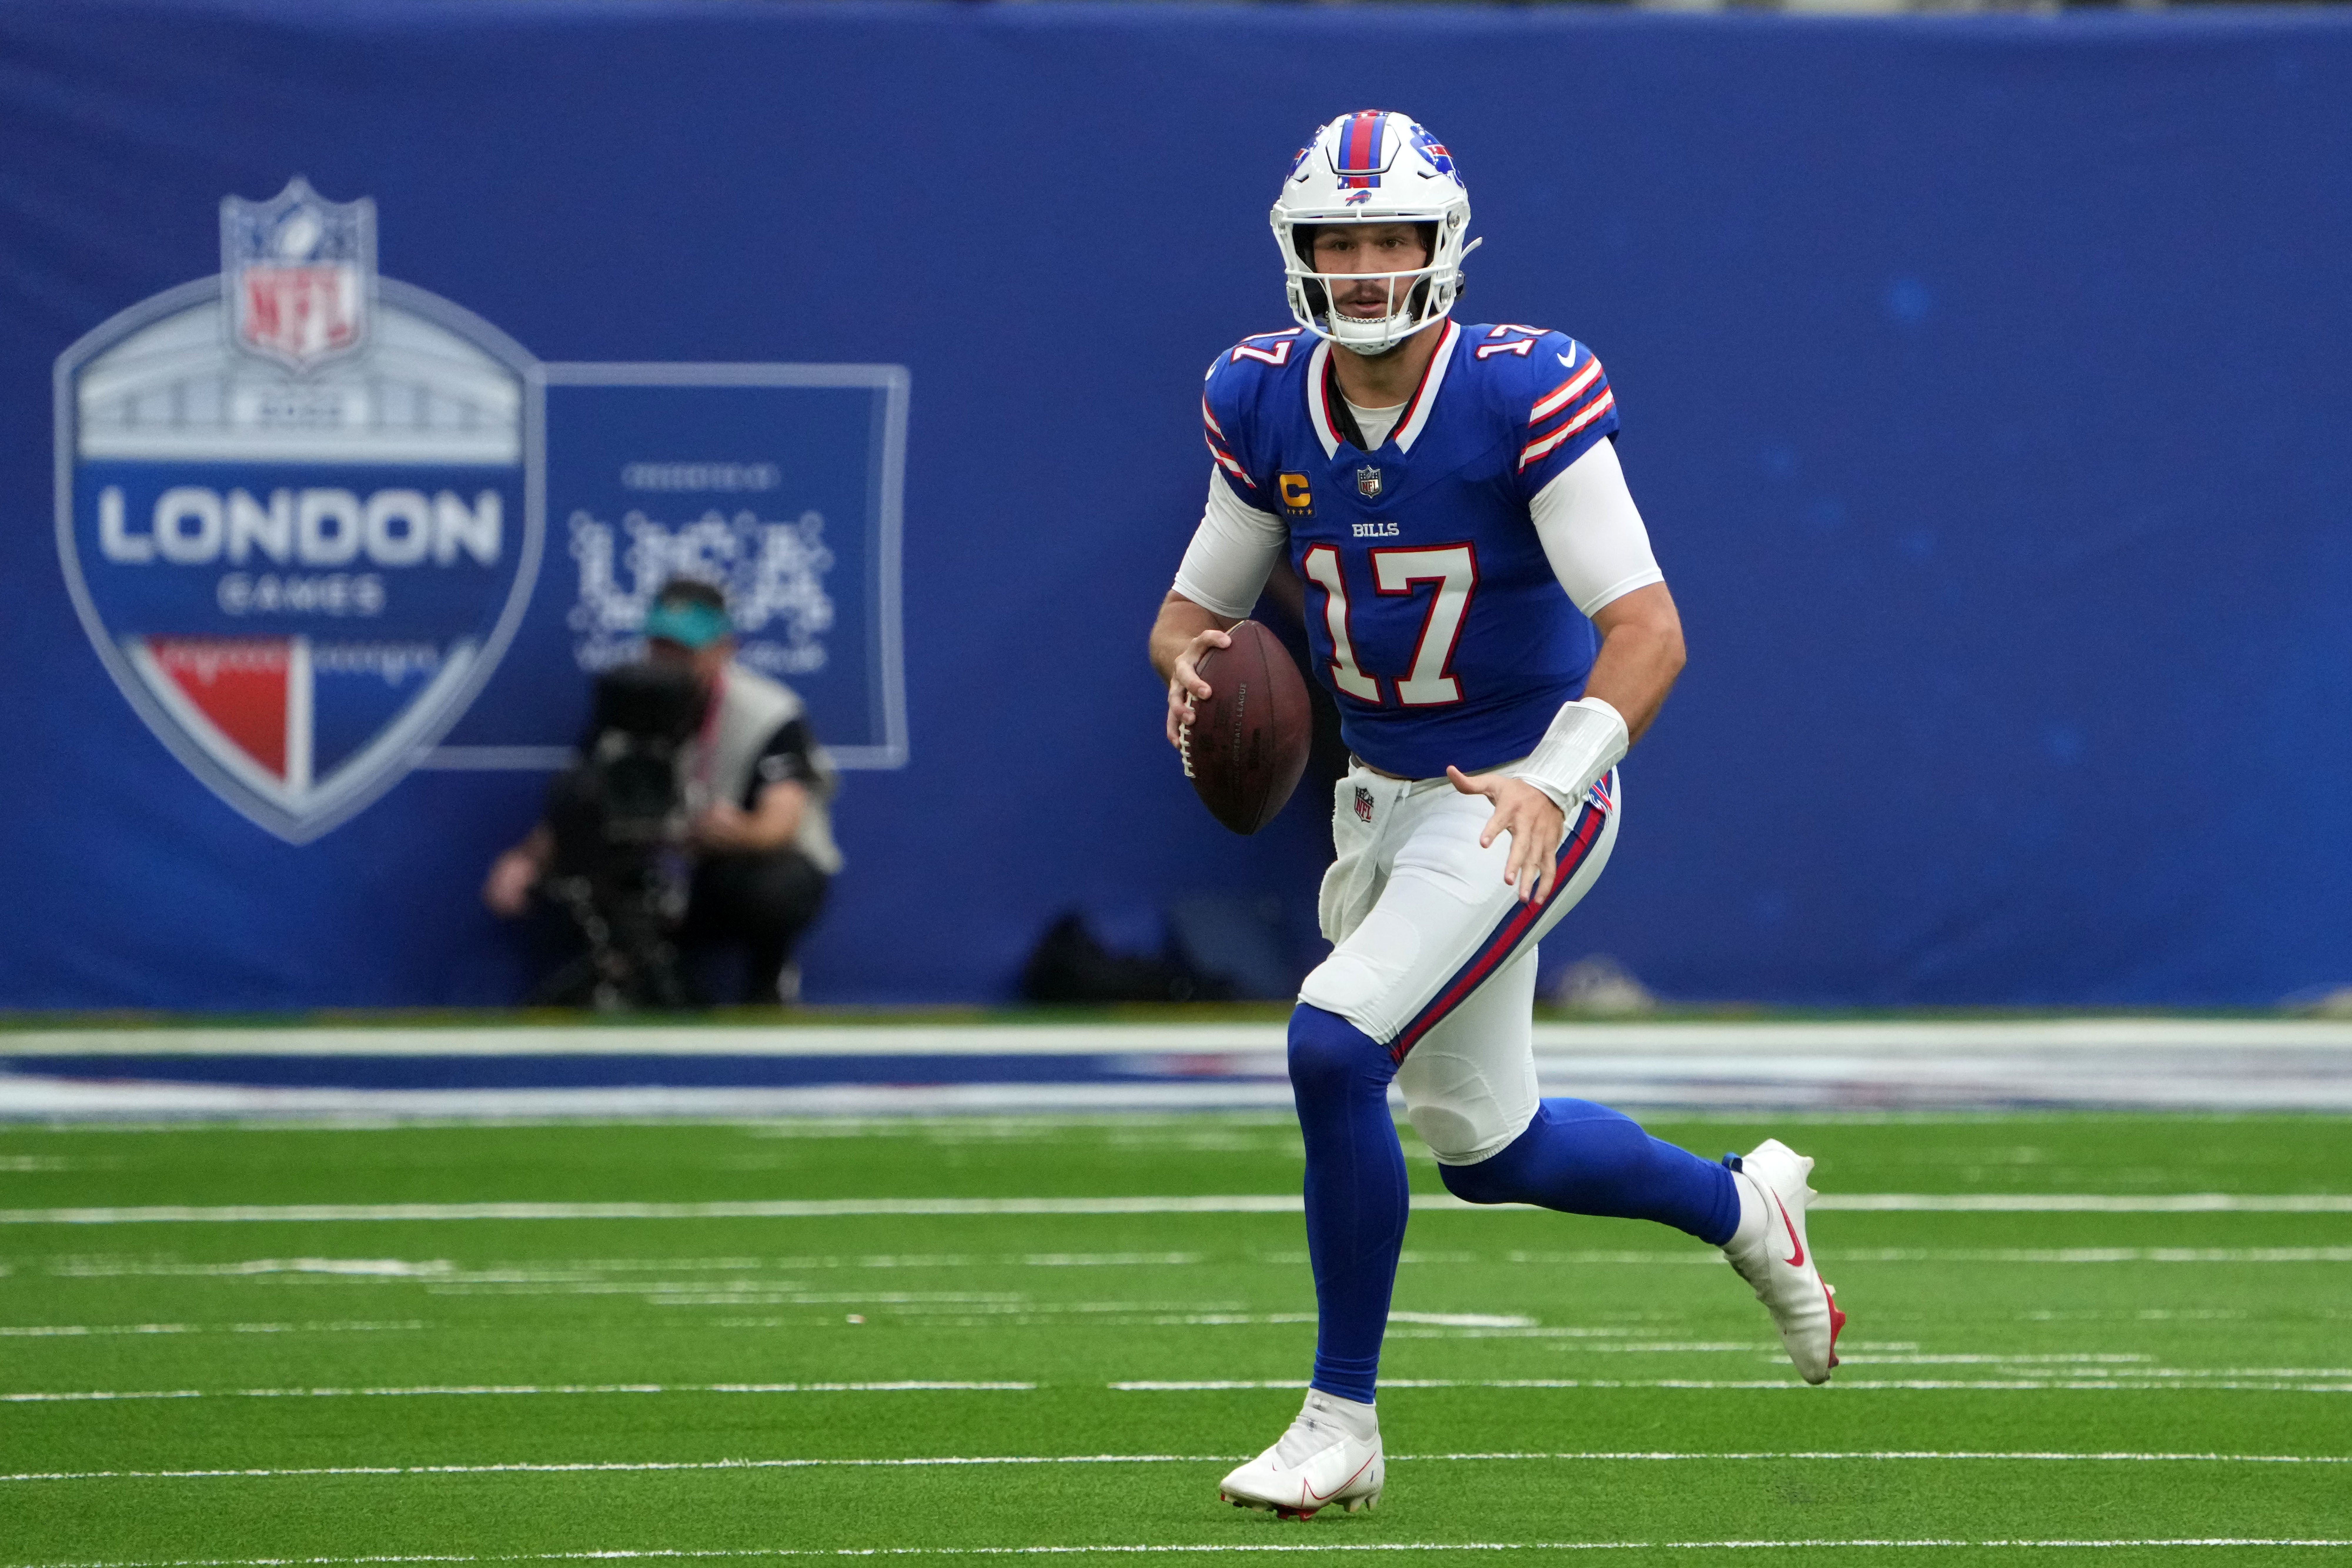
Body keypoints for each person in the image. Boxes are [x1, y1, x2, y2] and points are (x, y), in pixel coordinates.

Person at [1147, 111, 1845, 1520]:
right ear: (1298, 256)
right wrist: (1192, 674)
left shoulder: (1521, 390)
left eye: (1388, 238)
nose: (1361, 268)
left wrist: (1554, 774)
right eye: (1336, 241)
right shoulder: (1260, 395)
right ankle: (1742, 1209)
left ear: (1440, 248)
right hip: (1376, 806)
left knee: (1331, 1042)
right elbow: (1190, 610)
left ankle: (1338, 1421)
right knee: (1489, 1149)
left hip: (1522, 797)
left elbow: (1646, 630)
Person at [484, 577, 842, 1004]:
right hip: (653, 859)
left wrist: (737, 831)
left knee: (776, 886)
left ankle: (768, 973)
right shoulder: (626, 702)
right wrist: (526, 859)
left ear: (724, 649)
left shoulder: (769, 712)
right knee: (575, 853)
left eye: (684, 649)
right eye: (659, 645)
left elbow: (780, 822)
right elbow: (579, 800)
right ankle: (623, 970)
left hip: (724, 865)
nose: (668, 661)